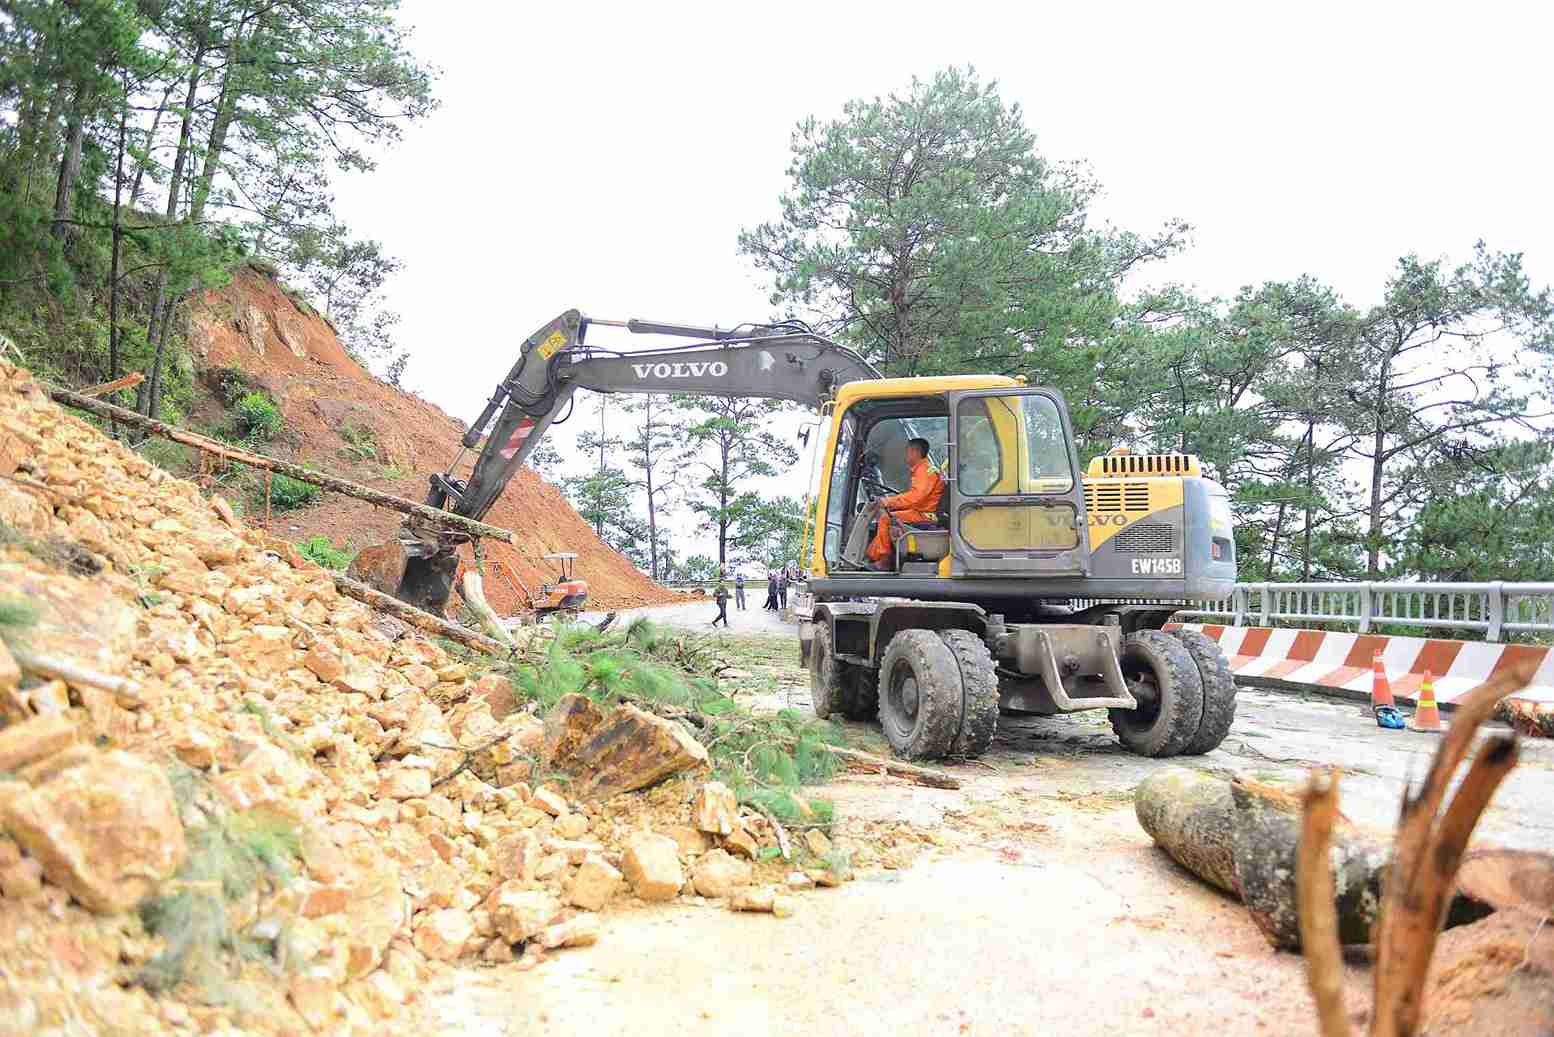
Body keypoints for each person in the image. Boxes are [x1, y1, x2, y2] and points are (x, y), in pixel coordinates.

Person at [843, 437, 945, 571]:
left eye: (907, 451)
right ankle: (873, 557)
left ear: (915, 452)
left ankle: (883, 560)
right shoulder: (923, 469)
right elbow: (917, 498)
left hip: (925, 516)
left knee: (886, 519)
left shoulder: (925, 471)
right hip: (921, 512)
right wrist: (891, 503)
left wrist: (887, 501)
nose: (905, 455)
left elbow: (916, 497)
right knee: (886, 516)